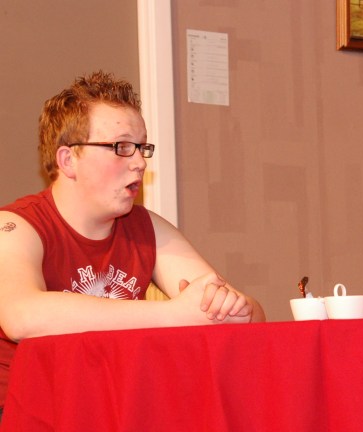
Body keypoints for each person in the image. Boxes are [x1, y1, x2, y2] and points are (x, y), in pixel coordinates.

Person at [0, 71, 266, 418]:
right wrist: (173, 315)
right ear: (68, 160)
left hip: (114, 409)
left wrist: (235, 307)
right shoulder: (15, 227)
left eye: (142, 148)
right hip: (26, 414)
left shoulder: (146, 227)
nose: (139, 162)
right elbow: (21, 316)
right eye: (121, 147)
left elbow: (249, 315)